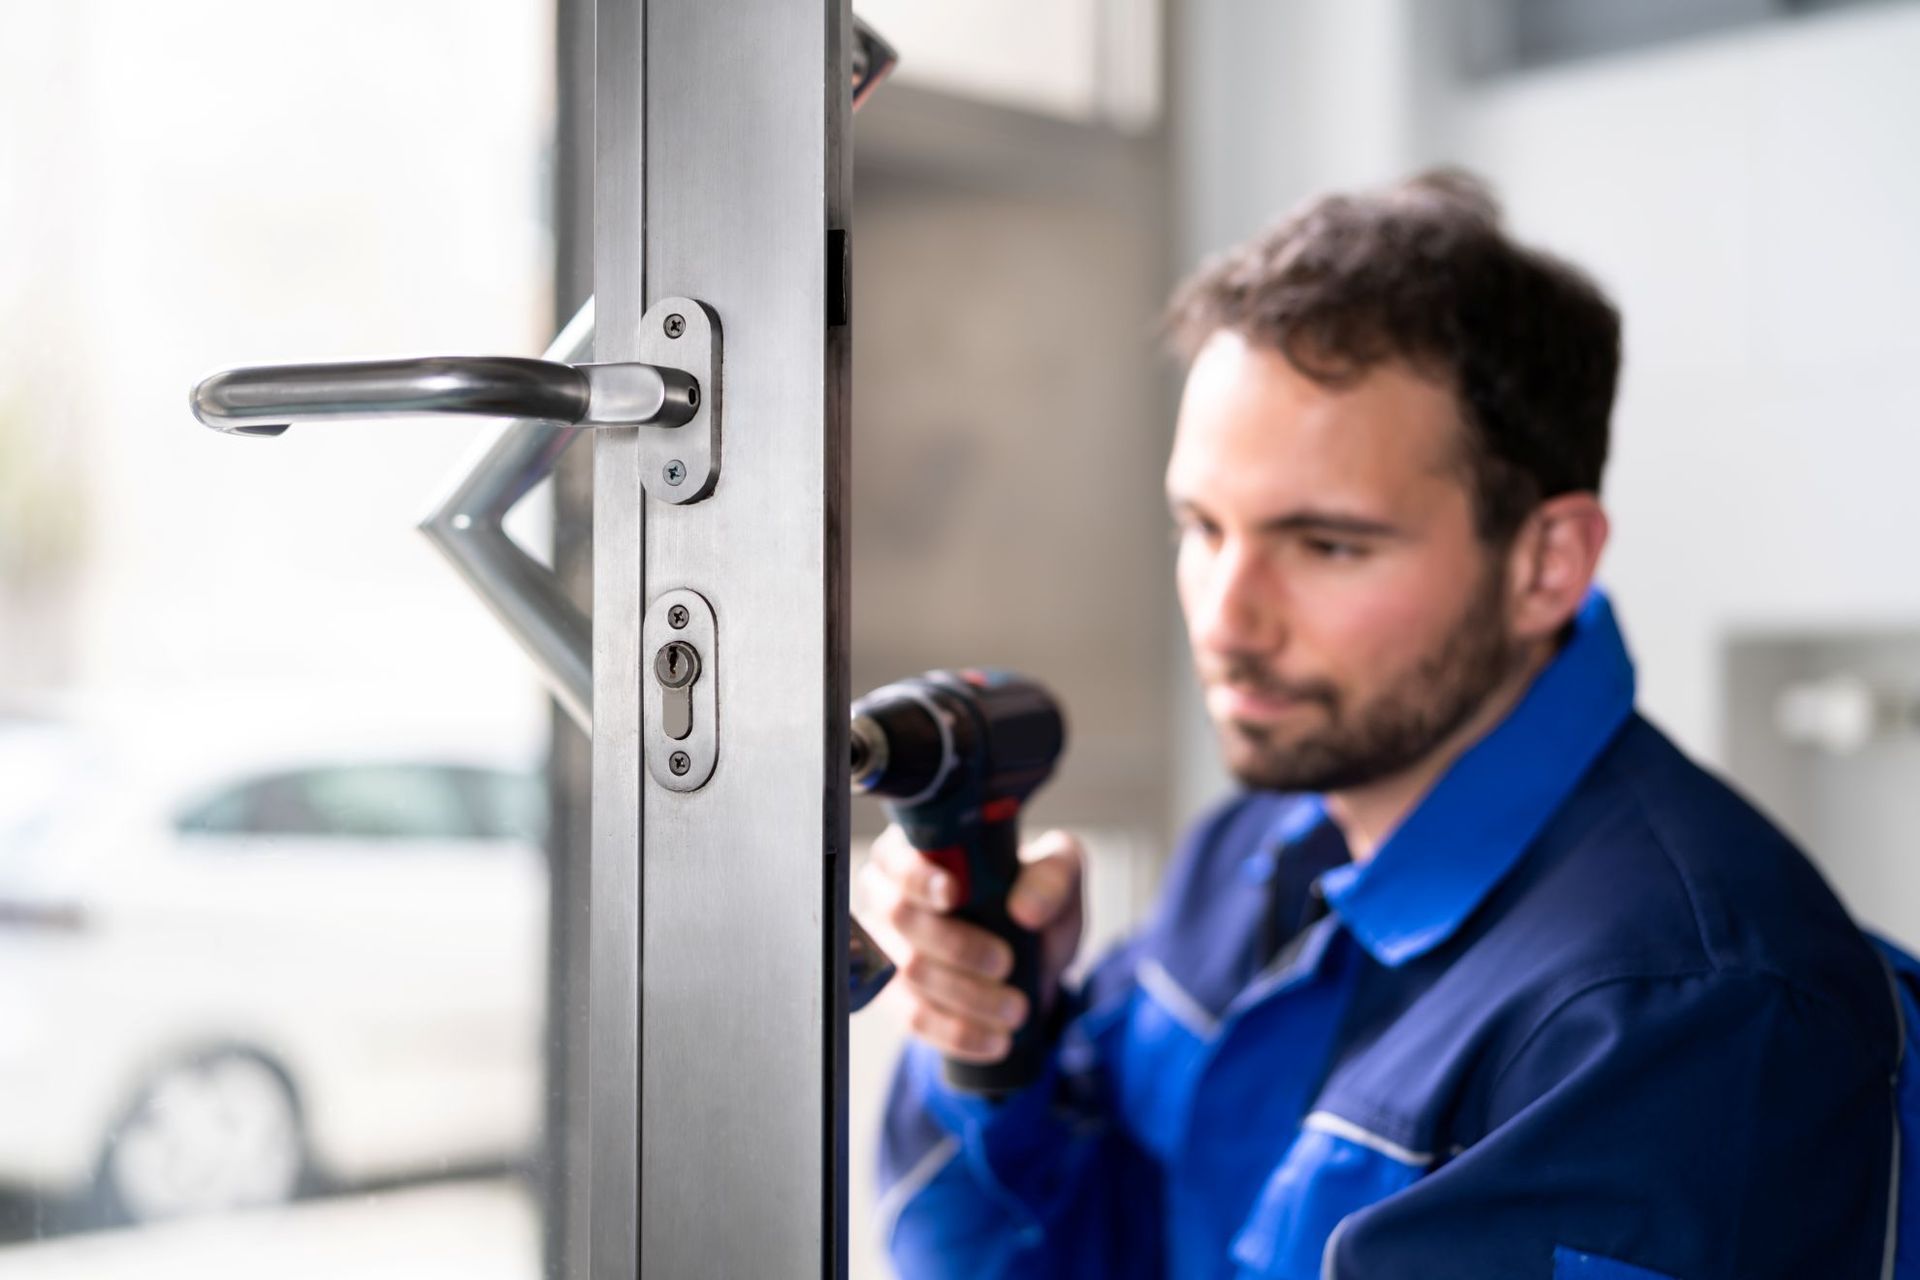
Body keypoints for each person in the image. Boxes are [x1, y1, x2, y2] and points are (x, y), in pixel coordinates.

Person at [857, 170, 1906, 1279]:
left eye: (1327, 544)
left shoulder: (1681, 1013)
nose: (1227, 616)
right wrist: (995, 1033)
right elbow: (1006, 1251)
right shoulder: (1247, 853)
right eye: (1202, 526)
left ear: (1547, 562)